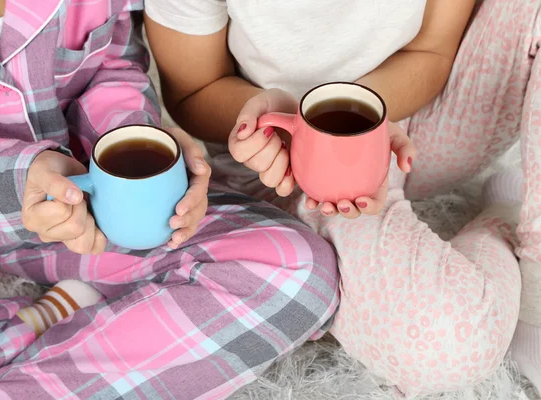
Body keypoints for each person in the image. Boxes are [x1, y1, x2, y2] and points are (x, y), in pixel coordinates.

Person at [0, 1, 340, 399]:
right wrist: (18, 178)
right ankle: (36, 320)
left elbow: (112, 69)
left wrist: (137, 146)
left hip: (86, 220)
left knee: (295, 270)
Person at [145, 0, 541, 397]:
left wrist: (360, 118)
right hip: (284, 166)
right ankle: (502, 219)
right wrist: (307, 128)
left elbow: (433, 50)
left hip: (419, 121)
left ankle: (538, 290)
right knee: (448, 346)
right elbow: (194, 88)